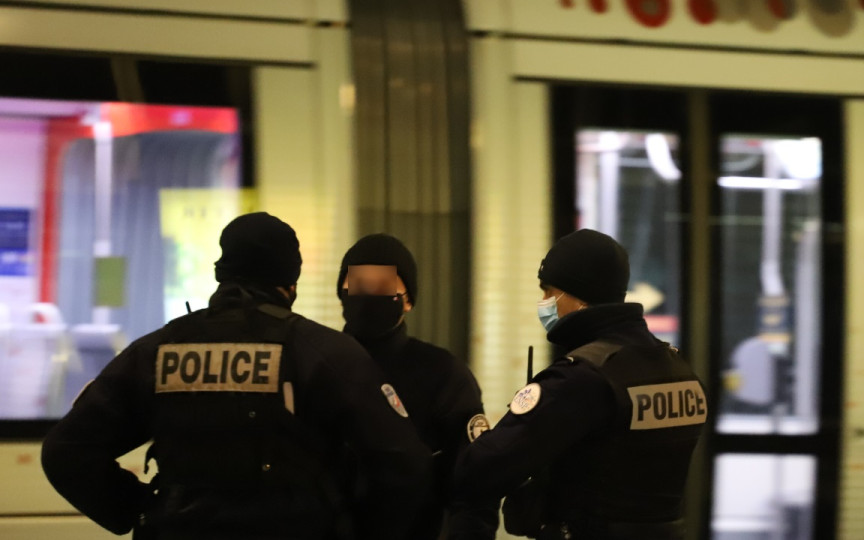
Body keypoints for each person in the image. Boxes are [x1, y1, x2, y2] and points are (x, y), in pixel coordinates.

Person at [41, 212, 432, 540]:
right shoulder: (324, 353)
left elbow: (67, 452)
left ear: (221, 271)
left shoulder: (156, 352)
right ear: (290, 281)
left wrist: (140, 509)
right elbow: (404, 463)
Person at [452, 229, 707, 540]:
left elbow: (479, 471)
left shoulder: (582, 378)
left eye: (549, 292)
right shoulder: (678, 368)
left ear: (578, 293)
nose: (544, 302)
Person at [336, 234, 498, 540]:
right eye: (358, 283)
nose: (368, 293)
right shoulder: (318, 363)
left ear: (408, 300)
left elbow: (475, 484)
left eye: (382, 285)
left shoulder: (443, 373)